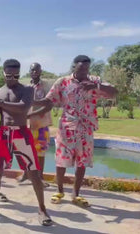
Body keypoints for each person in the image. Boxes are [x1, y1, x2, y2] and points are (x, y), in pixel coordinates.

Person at [31, 55, 117, 207]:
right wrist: (31, 103)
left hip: (86, 129)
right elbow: (49, 100)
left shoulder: (94, 80)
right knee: (61, 161)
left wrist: (95, 87)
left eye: (86, 68)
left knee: (82, 162)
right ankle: (59, 190)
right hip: (66, 128)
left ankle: (76, 194)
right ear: (74, 67)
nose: (84, 71)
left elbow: (113, 92)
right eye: (81, 68)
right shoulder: (62, 82)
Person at [0, 59, 53, 226]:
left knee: (33, 172)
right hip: (2, 133)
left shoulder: (27, 89)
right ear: (4, 73)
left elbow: (23, 107)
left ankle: (42, 210)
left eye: (16, 75)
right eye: (9, 75)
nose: (12, 78)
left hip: (21, 133)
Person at [17, 63, 53, 187]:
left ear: (40, 71)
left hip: (41, 124)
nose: (34, 72)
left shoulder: (46, 85)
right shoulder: (25, 85)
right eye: (32, 70)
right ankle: (26, 174)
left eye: (37, 70)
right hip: (26, 124)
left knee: (40, 152)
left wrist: (31, 114)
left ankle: (40, 177)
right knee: (25, 150)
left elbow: (48, 104)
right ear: (30, 71)